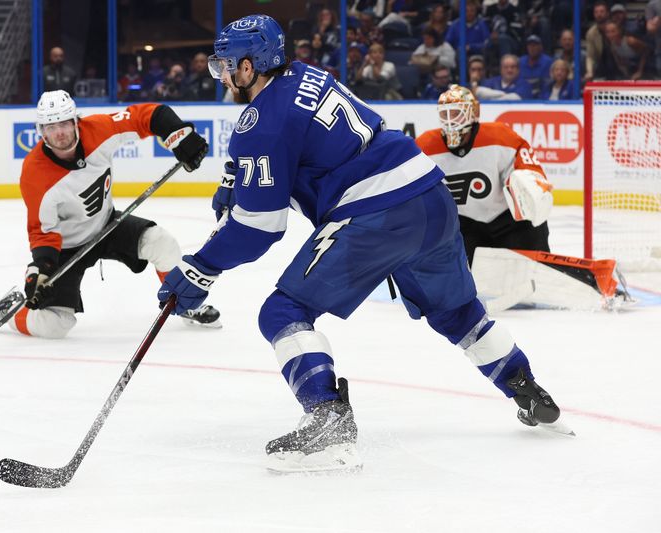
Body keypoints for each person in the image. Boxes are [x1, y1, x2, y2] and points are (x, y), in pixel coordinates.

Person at [157, 15, 565, 473]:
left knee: (282, 313)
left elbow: (260, 228)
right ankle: (526, 388)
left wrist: (201, 267)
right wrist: (240, 173)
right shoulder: (307, 73)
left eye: (228, 65)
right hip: (429, 192)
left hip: (377, 210)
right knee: (457, 313)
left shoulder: (261, 123)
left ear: (251, 67)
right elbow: (312, 141)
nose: (224, 75)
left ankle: (328, 421)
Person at [0, 90, 221, 339]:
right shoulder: (34, 173)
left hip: (107, 226)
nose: (59, 133)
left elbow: (148, 116)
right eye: (51, 127)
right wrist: (40, 268)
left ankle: (186, 304)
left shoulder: (98, 129)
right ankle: (13, 312)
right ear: (40, 131)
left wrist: (178, 134)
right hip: (68, 248)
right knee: (56, 325)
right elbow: (42, 231)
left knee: (162, 243)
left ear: (76, 121)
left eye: (64, 123)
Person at [415, 85, 552, 265]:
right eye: (445, 113)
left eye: (456, 113)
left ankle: (542, 269)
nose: (450, 120)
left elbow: (529, 169)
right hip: (464, 226)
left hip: (508, 222)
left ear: (473, 112)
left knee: (531, 225)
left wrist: (529, 182)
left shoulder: (500, 137)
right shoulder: (425, 146)